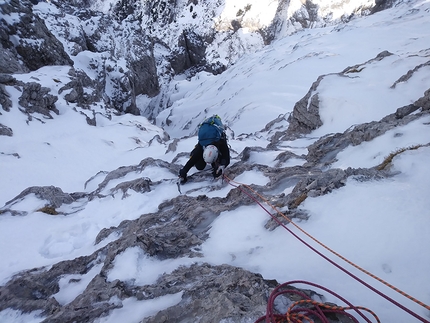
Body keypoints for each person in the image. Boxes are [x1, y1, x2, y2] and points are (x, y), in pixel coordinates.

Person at [178, 116, 230, 184]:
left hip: (216, 146)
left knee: (215, 167)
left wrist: (222, 165)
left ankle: (215, 162)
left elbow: (226, 157)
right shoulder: (202, 145)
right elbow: (194, 158)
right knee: (199, 166)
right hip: (204, 146)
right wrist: (184, 170)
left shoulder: (221, 141)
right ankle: (196, 150)